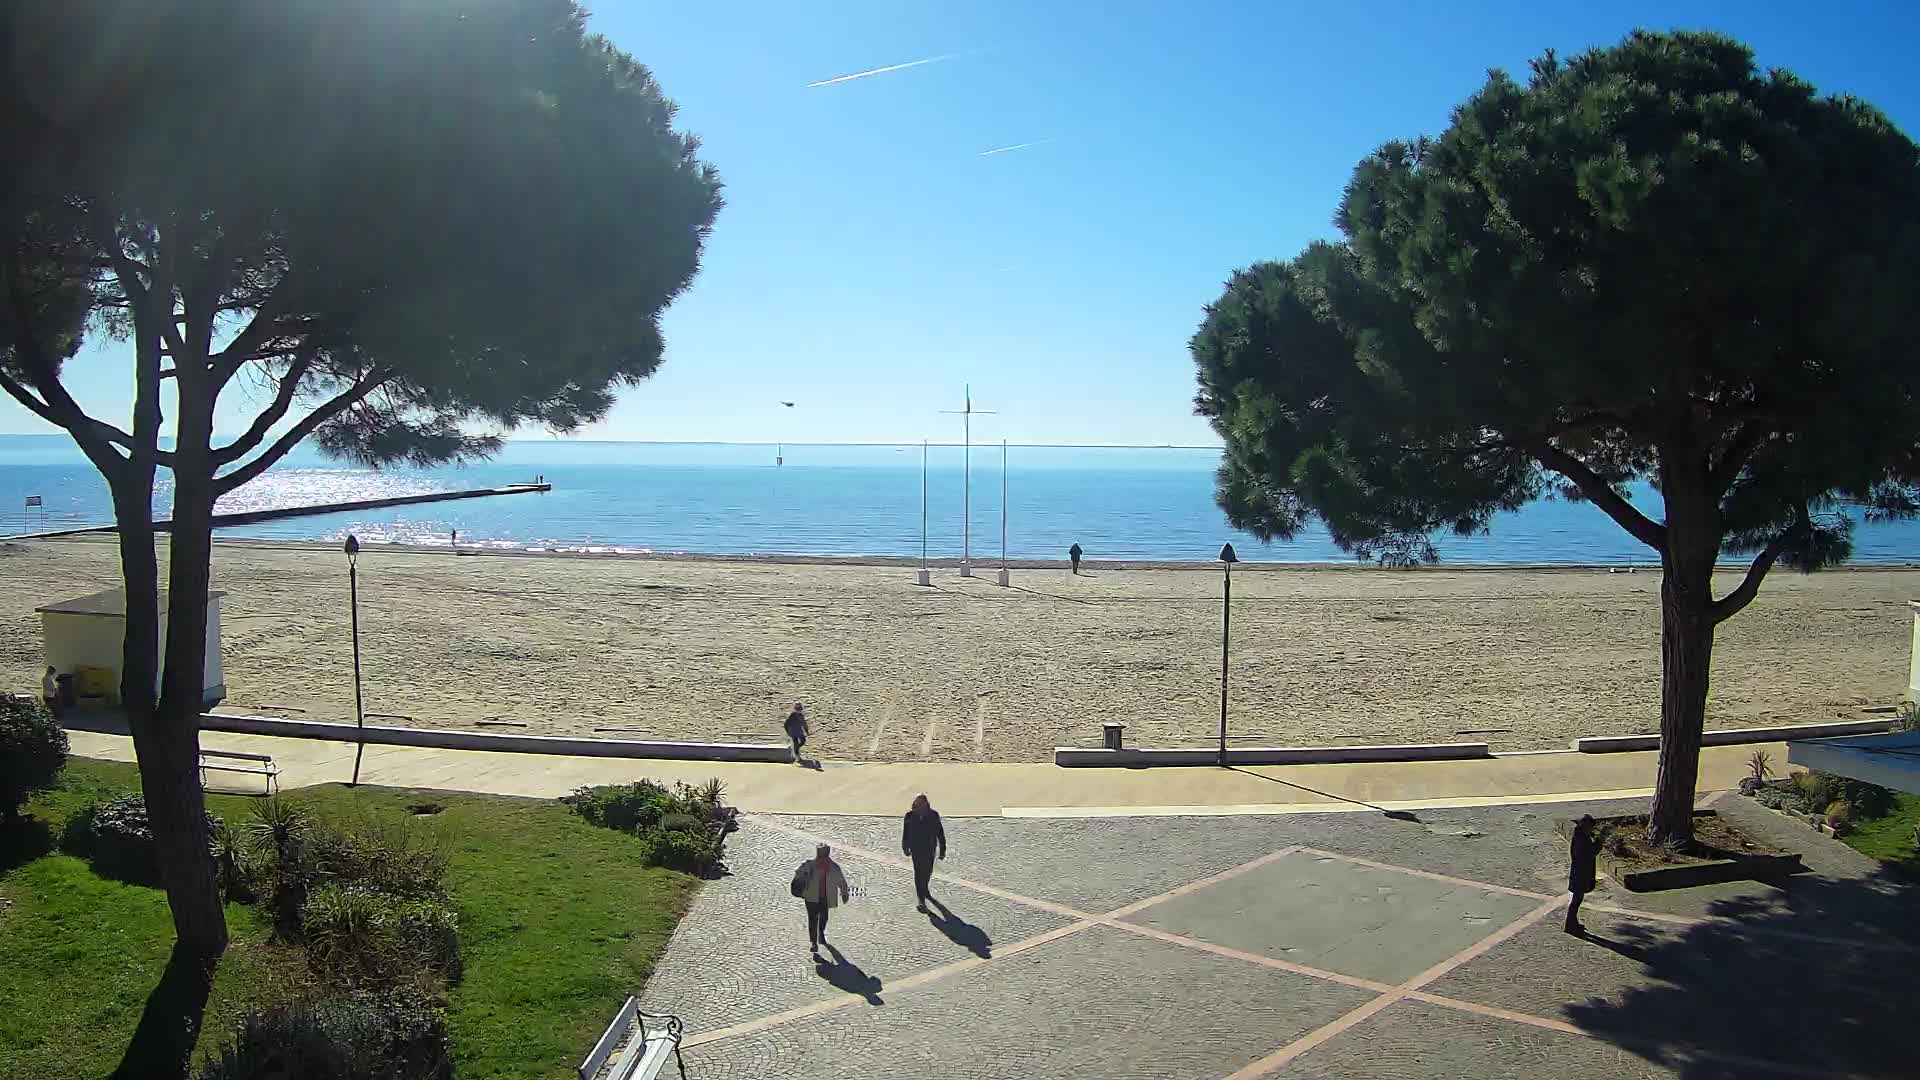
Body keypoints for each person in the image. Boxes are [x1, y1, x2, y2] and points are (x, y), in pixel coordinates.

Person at [796, 843, 849, 957]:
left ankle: (820, 933)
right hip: (811, 897)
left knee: (824, 917)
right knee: (813, 919)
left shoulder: (833, 867)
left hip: (824, 897)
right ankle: (814, 942)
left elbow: (841, 881)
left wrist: (844, 892)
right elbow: (799, 874)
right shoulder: (810, 865)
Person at [901, 794, 947, 911]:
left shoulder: (933, 815)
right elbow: (905, 833)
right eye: (917, 803)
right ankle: (921, 899)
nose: (919, 805)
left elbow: (940, 833)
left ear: (926, 804)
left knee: (927, 872)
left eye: (921, 803)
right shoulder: (910, 816)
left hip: (929, 849)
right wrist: (905, 847)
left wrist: (942, 850)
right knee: (918, 873)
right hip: (916, 849)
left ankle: (925, 889)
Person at [1565, 814, 1598, 934]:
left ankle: (1572, 923)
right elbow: (1588, 853)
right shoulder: (1581, 839)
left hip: (1580, 873)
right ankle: (1570, 925)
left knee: (1577, 899)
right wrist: (1599, 843)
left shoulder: (1581, 837)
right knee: (1576, 900)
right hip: (1580, 874)